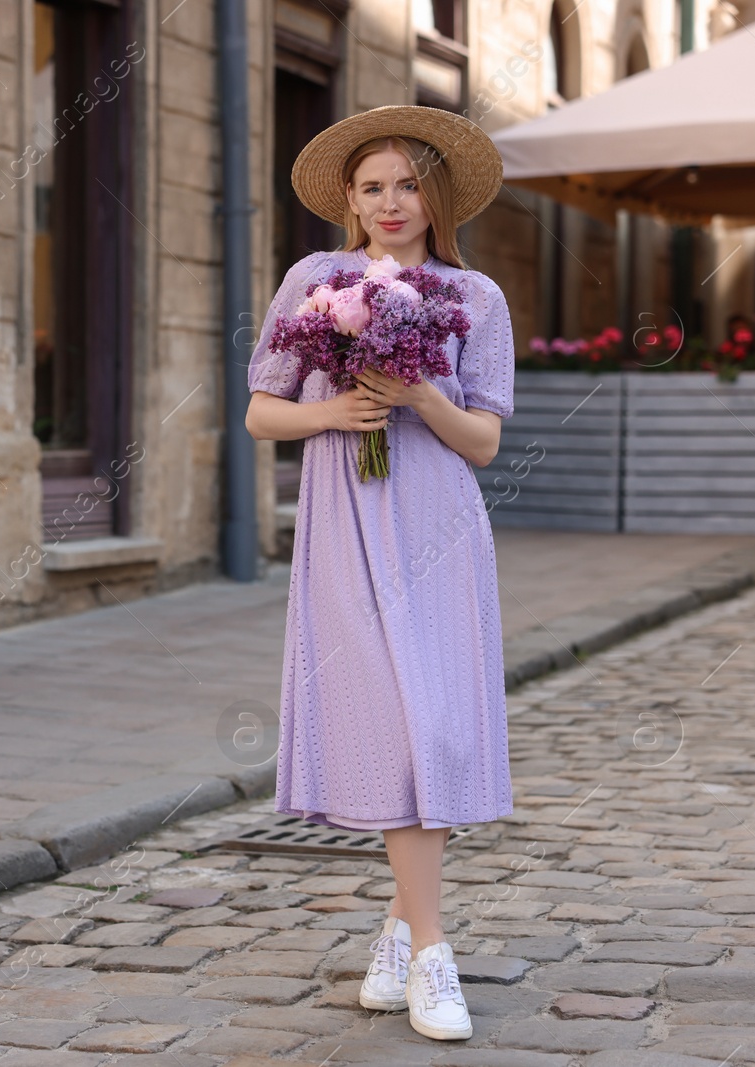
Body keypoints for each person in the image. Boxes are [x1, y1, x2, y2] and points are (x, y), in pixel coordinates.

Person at [243, 105, 516, 1042]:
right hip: (345, 527)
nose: (390, 203)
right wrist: (337, 412)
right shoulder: (313, 280)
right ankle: (428, 945)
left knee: (432, 728)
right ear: (348, 202)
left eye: (407, 185)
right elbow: (261, 415)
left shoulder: (474, 296)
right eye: (372, 188)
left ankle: (414, 942)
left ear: (436, 197)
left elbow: (482, 441)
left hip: (437, 526)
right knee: (396, 731)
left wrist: (419, 395)